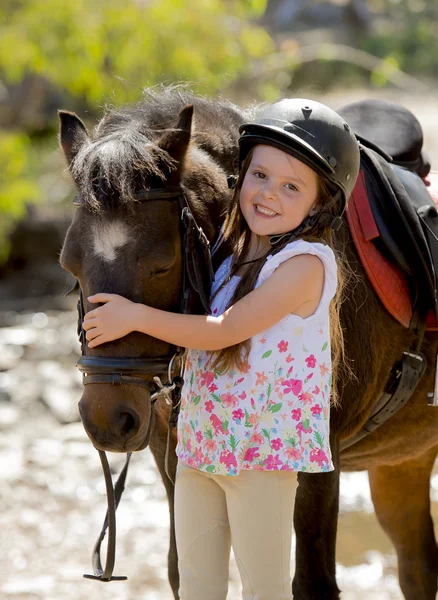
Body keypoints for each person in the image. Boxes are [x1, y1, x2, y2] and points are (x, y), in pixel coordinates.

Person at [82, 98, 360, 600]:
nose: (268, 194)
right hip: (200, 449)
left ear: (320, 204)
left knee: (265, 590)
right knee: (197, 588)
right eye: (259, 175)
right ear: (240, 176)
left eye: (291, 186)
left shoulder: (306, 265)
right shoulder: (228, 255)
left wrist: (133, 314)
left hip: (260, 460)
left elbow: (224, 330)